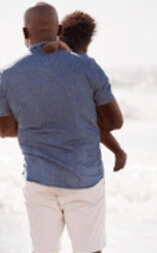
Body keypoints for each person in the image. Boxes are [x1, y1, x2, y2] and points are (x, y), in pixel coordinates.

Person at [0, 2, 124, 253]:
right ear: (57, 31)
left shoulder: (9, 74)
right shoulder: (85, 67)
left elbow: (4, 129)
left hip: (38, 179)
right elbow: (113, 122)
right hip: (84, 178)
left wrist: (39, 123)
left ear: (25, 34)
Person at [45, 11, 127, 172]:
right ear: (88, 43)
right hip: (82, 170)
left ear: (59, 34)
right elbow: (115, 123)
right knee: (88, 117)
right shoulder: (90, 70)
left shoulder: (45, 63)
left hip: (43, 167)